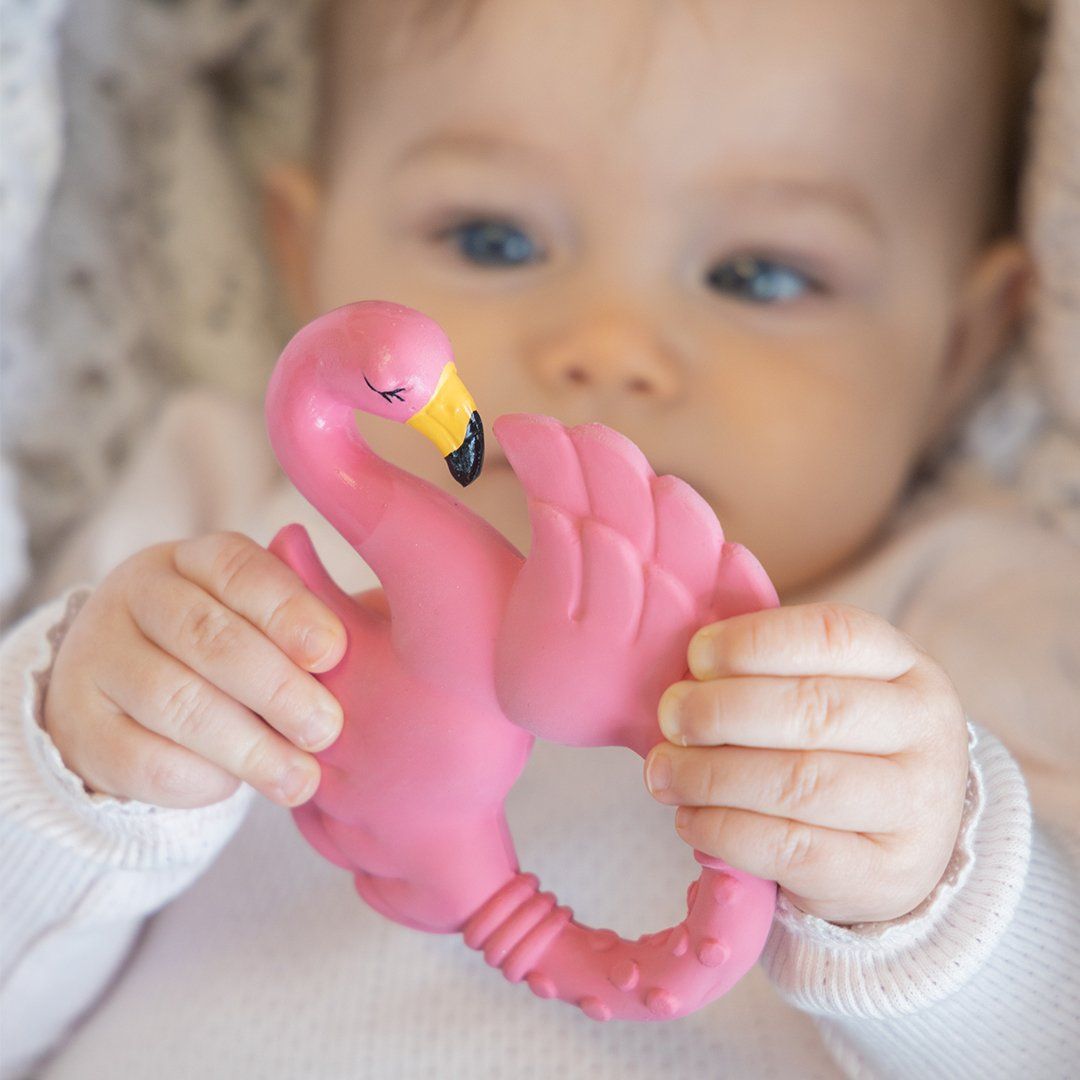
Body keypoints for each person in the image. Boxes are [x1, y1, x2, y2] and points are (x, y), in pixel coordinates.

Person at [2, 0, 1078, 1076]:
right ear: (306, 251)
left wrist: (935, 901)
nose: (606, 346)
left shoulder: (959, 631)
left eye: (761, 276)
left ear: (958, 347)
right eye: (495, 240)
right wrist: (74, 771)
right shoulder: (207, 536)